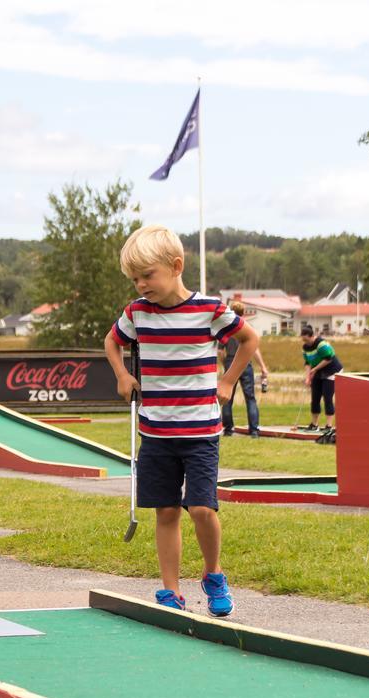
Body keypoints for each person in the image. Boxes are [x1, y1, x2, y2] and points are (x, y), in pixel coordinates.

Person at [104, 225, 258, 617]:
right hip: (155, 432)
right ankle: (171, 591)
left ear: (176, 266)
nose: (140, 284)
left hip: (201, 431)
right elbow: (112, 341)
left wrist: (227, 380)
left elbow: (250, 340)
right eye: (135, 278)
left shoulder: (208, 309)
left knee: (203, 509)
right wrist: (123, 375)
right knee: (167, 511)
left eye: (147, 275)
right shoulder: (138, 312)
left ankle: (213, 574)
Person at [219, 301, 269, 438]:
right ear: (243, 312)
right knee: (250, 397)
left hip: (230, 361)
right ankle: (253, 430)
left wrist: (225, 363)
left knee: (227, 397)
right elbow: (254, 349)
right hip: (246, 363)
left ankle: (228, 429)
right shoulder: (247, 328)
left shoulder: (226, 328)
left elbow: (220, 351)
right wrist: (263, 367)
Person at [300, 324, 342, 432]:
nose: (305, 342)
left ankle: (329, 426)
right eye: (303, 340)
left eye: (306, 340)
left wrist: (315, 369)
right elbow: (308, 362)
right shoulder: (305, 347)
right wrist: (308, 377)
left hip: (331, 370)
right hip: (318, 371)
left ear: (312, 336)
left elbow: (328, 359)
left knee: (327, 397)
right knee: (315, 398)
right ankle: (314, 424)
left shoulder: (321, 344)